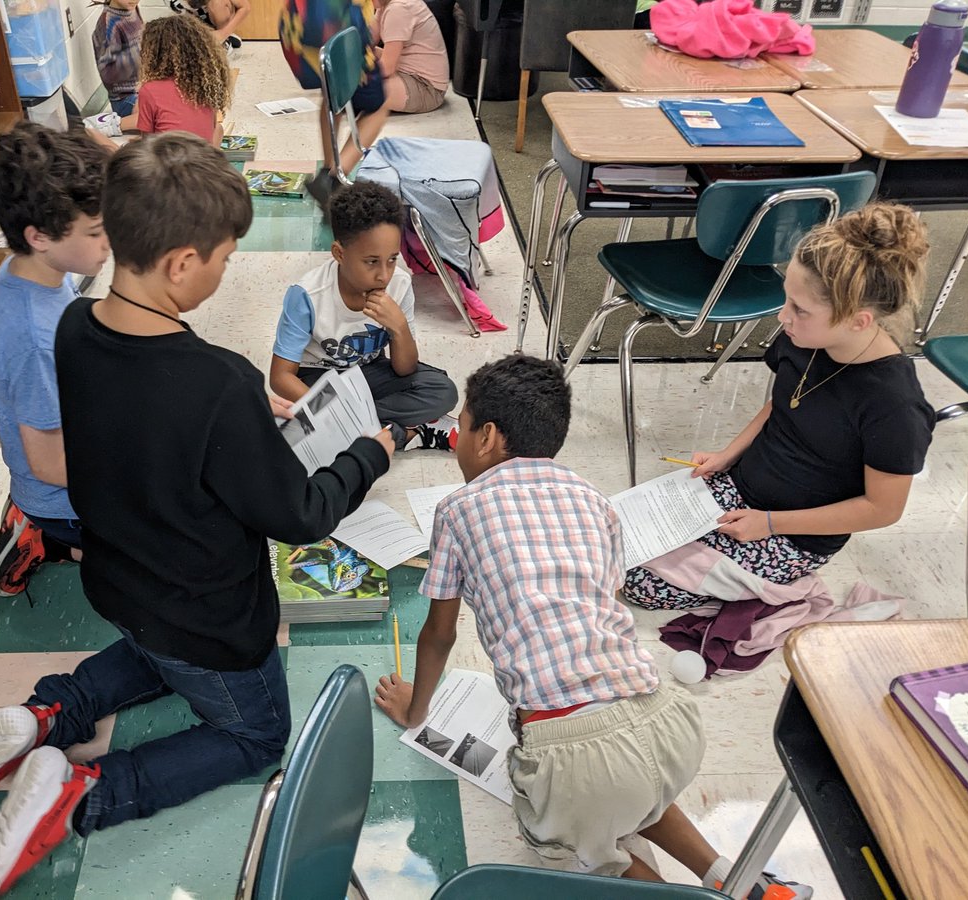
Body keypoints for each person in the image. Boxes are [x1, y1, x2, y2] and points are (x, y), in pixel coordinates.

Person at [0, 133, 393, 900]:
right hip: (213, 622)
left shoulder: (71, 325)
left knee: (154, 651)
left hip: (123, 586)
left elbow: (136, 430)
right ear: (180, 264)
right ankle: (85, 794)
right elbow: (300, 514)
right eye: (224, 257)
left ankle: (52, 712)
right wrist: (367, 455)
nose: (226, 268)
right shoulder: (219, 384)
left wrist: (243, 424)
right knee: (255, 731)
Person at [374, 355, 810, 897]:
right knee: (631, 783)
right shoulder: (594, 502)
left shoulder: (458, 509)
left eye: (460, 426)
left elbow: (440, 633)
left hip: (574, 761)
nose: (456, 438)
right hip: (667, 722)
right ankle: (747, 885)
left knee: (577, 849)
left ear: (486, 437)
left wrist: (417, 711)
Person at [625, 202, 935, 611]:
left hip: (793, 534)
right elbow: (781, 405)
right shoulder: (805, 337)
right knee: (619, 537)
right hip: (741, 489)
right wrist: (727, 455)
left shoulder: (894, 407)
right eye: (787, 300)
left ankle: (775, 585)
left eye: (800, 310)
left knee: (642, 586)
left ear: (858, 321)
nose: (783, 318)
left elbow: (882, 509)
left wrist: (769, 524)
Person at [0, 122, 111, 597]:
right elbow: (52, 465)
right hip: (63, 495)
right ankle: (51, 539)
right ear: (40, 236)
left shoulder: (39, 275)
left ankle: (43, 526)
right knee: (155, 555)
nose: (108, 241)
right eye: (95, 232)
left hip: (65, 447)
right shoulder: (34, 339)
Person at [270, 181, 459, 451]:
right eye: (371, 262)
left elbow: (404, 368)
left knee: (443, 391)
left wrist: (400, 328)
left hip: (369, 373)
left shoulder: (400, 285)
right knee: (296, 443)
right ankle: (403, 433)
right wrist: (332, 408)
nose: (384, 274)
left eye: (392, 259)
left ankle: (360, 429)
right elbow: (280, 377)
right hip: (318, 378)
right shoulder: (308, 295)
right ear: (339, 253)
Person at [279, 0, 391, 209]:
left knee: (330, 88)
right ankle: (333, 180)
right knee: (379, 107)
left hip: (299, 31)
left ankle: (327, 167)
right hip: (337, 26)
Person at [131, 14, 231, 144]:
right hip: (205, 161)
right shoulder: (205, 84)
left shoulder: (149, 90)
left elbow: (148, 144)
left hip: (168, 161)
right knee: (219, 129)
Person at [371, 0, 448, 114]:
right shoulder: (384, 4)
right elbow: (368, 42)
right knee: (366, 55)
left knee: (356, 91)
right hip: (406, 70)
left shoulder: (398, 9)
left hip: (427, 88)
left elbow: (387, 68)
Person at [91, 0, 143, 117]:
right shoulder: (109, 24)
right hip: (125, 98)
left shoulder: (132, 9)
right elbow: (108, 73)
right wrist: (140, 54)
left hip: (141, 87)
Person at [170, 0, 249, 49]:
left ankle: (224, 41)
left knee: (217, 2)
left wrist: (223, 33)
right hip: (194, 23)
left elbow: (245, 7)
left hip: (217, 22)